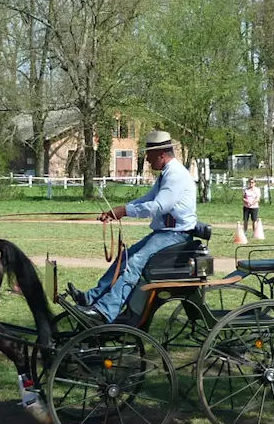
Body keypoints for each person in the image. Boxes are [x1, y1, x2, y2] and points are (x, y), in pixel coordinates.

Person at [67, 130, 197, 322]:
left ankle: (104, 312)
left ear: (161, 154)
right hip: (164, 233)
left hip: (176, 235)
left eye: (149, 155)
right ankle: (90, 299)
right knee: (125, 257)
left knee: (135, 262)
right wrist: (118, 211)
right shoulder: (166, 173)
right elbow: (148, 199)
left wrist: (125, 211)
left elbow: (159, 206)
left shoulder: (176, 175)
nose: (147, 159)